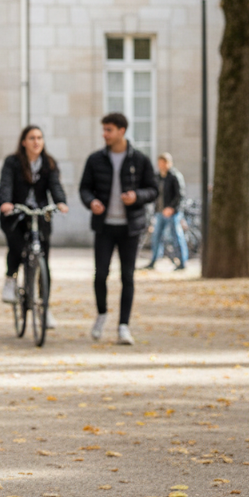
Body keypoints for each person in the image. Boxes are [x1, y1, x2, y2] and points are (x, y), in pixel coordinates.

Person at [78, 113, 158, 346]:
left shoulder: (140, 160)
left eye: (109, 130)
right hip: (104, 227)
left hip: (130, 228)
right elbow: (84, 188)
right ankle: (102, 314)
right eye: (104, 129)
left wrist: (137, 196)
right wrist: (91, 202)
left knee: (127, 276)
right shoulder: (95, 159)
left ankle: (124, 326)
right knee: (100, 274)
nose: (104, 134)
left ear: (122, 131)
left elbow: (153, 190)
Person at [0, 126, 69, 328]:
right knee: (17, 246)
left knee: (44, 258)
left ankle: (45, 308)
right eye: (32, 138)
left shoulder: (49, 163)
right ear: (23, 142)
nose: (36, 142)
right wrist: (5, 202)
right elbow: (5, 184)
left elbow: (55, 186)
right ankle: (10, 280)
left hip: (39, 213)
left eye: (39, 138)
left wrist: (60, 202)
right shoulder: (12, 162)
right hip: (17, 213)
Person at [144, 153, 188, 270]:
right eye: (160, 163)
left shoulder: (175, 176)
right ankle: (153, 261)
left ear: (169, 163)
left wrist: (172, 208)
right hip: (159, 212)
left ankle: (182, 262)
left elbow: (180, 195)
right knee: (156, 237)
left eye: (163, 163)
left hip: (172, 213)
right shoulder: (157, 177)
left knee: (176, 237)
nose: (161, 166)